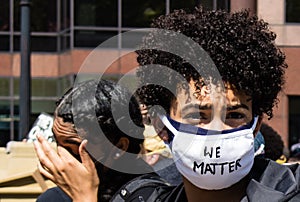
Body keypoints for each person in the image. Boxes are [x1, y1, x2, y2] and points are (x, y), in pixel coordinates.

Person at [34, 8, 300, 201]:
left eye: (234, 114)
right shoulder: (140, 198)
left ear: (255, 128)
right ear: (162, 127)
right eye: (198, 115)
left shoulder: (292, 191)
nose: (217, 130)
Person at [35, 79, 152, 202]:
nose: (62, 158)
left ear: (119, 147)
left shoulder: (149, 195)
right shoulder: (54, 198)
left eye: (74, 148)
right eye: (58, 144)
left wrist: (85, 198)